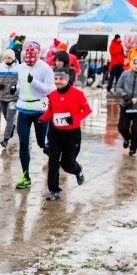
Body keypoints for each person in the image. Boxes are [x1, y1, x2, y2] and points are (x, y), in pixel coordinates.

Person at [38, 68, 91, 200]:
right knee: (53, 162)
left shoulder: (78, 94)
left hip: (72, 134)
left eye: (61, 79)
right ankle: (54, 190)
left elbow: (87, 110)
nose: (58, 81)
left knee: (67, 164)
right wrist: (42, 119)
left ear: (67, 79)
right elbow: (50, 111)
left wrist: (74, 119)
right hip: (55, 133)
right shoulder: (53, 95)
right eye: (56, 79)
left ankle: (77, 170)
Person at [14, 42, 55, 189]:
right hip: (23, 108)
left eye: (32, 52)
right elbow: (22, 85)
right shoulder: (21, 67)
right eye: (27, 52)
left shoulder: (45, 68)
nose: (29, 55)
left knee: (41, 143)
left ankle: (55, 156)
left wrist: (35, 82)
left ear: (37, 53)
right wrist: (16, 89)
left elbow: (51, 90)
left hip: (40, 110)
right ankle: (26, 176)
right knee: (23, 143)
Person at [0, 49, 20, 148]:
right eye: (5, 58)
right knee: (6, 117)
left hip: (13, 98)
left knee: (10, 118)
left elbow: (21, 81)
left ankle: (5, 140)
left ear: (13, 58)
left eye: (9, 58)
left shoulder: (18, 68)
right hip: (2, 97)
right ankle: (12, 127)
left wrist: (16, 87)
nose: (7, 60)